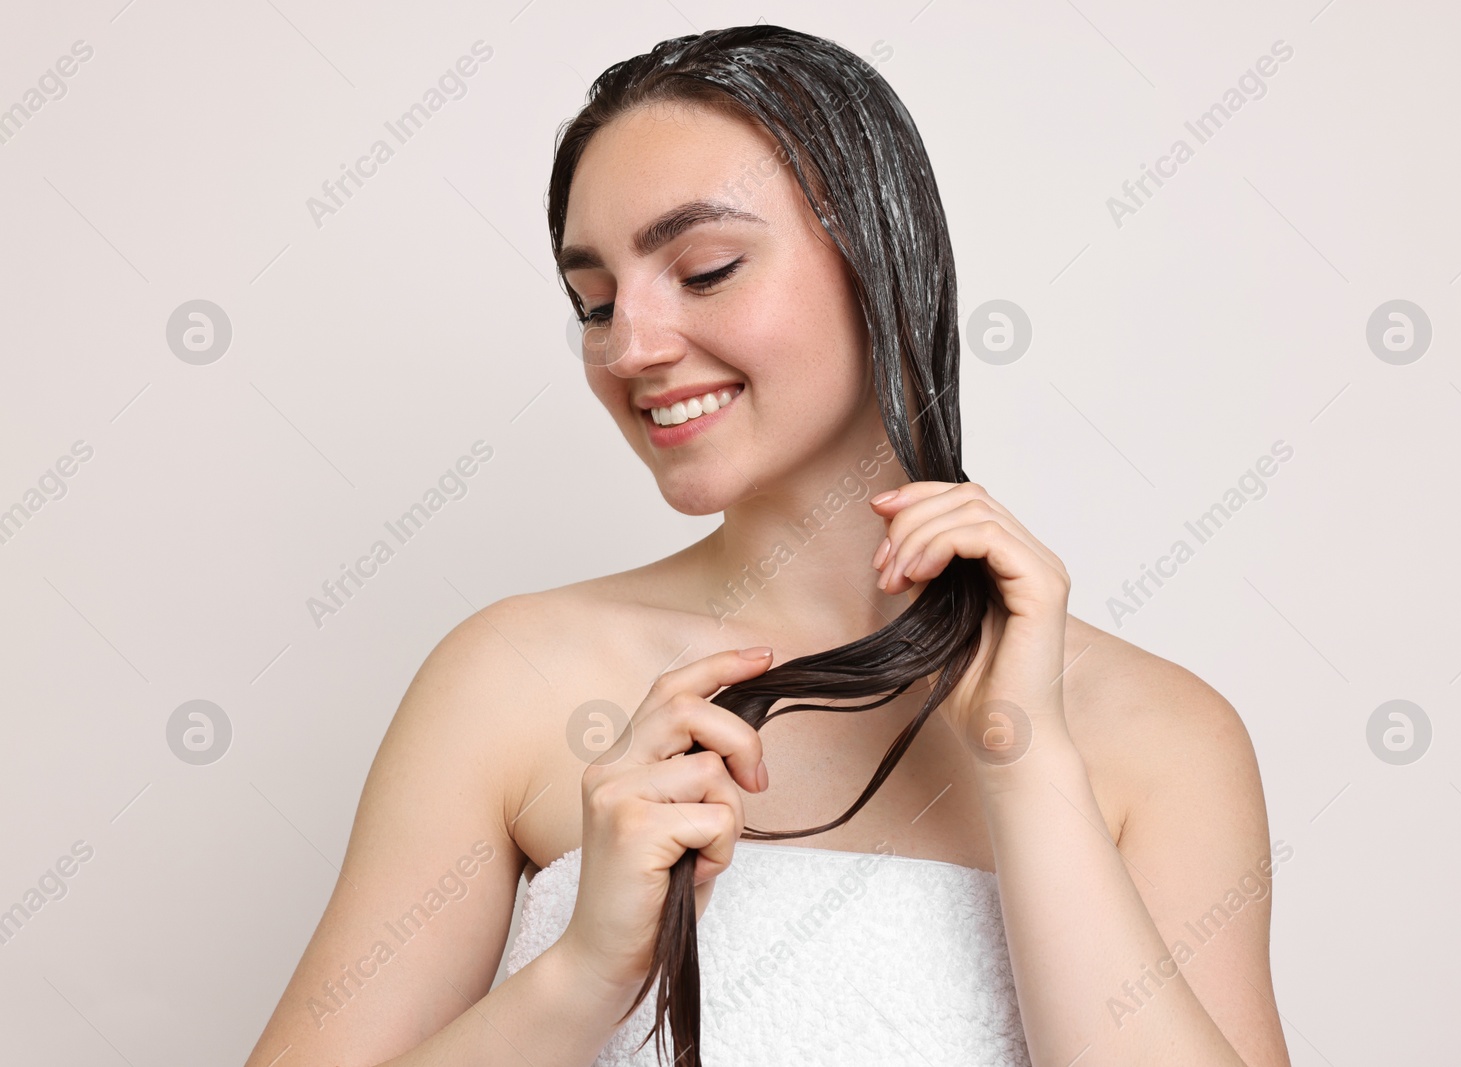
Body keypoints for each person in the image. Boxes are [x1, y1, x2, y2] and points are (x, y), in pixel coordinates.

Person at [244, 24, 1293, 1067]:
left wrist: (1027, 769)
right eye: (594, 303)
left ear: (881, 261)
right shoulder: (508, 676)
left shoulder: (1161, 736)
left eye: (703, 270)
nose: (630, 348)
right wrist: (585, 973)